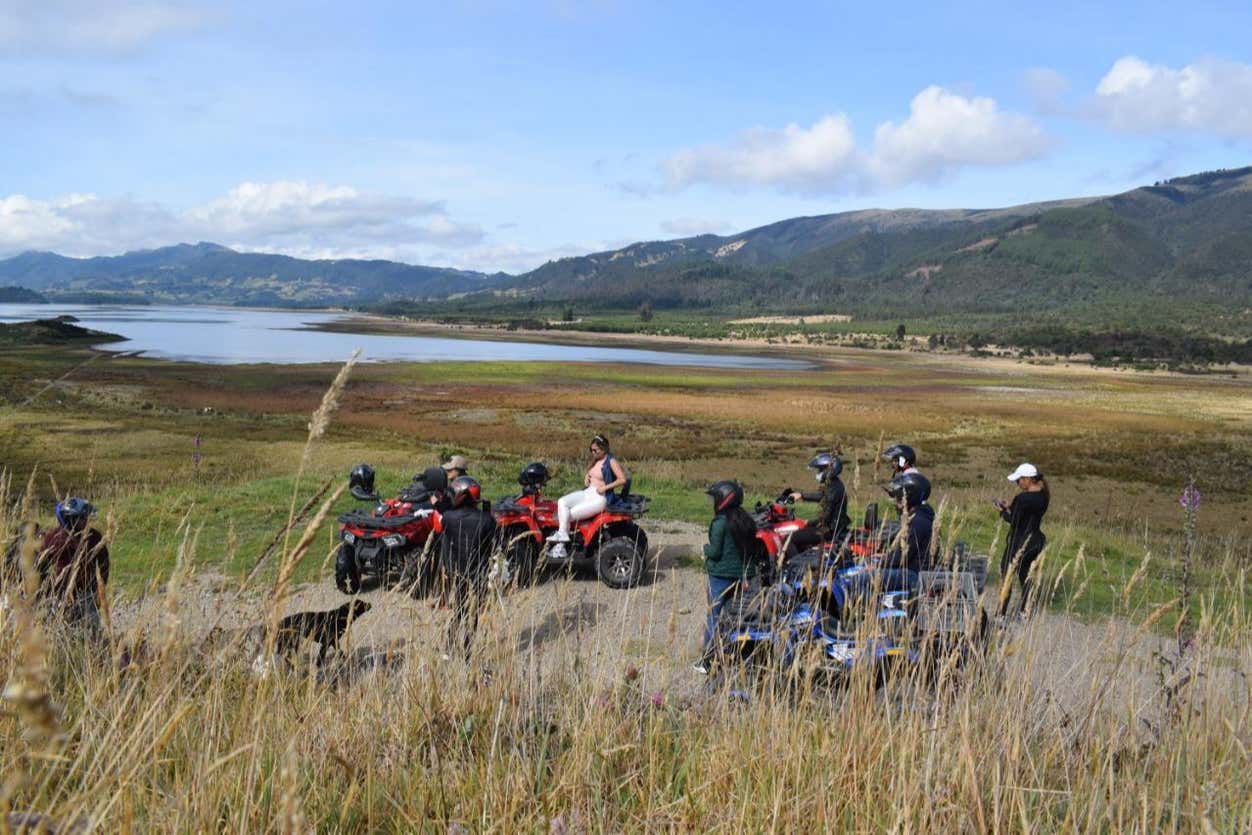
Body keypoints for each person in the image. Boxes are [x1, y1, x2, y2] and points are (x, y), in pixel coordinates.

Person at [695, 480, 758, 674]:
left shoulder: (720, 523)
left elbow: (714, 552)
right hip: (741, 577)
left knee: (713, 617)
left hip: (720, 576)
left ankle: (707, 660)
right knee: (734, 616)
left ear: (723, 499)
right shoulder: (746, 519)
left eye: (715, 498)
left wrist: (704, 549)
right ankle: (734, 653)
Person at [436, 476, 497, 660]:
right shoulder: (487, 520)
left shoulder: (448, 517)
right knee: (475, 612)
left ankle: (449, 646)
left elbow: (445, 529)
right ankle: (468, 649)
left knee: (459, 610)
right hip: (479, 571)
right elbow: (490, 545)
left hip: (457, 571)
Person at [547, 434, 627, 558]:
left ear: (604, 449)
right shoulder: (596, 459)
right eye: (591, 450)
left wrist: (605, 487)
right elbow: (594, 472)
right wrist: (587, 475)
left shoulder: (611, 460)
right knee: (562, 502)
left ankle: (560, 546)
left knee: (569, 515)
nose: (593, 452)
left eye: (595, 450)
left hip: (600, 498)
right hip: (588, 492)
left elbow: (622, 479)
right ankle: (562, 536)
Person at [38, 497, 109, 629]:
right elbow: (40, 565)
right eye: (82, 518)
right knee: (59, 628)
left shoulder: (94, 537)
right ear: (71, 519)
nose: (86, 522)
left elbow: (104, 565)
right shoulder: (53, 537)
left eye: (87, 518)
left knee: (93, 630)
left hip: (87, 593)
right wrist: (46, 590)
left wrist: (99, 590)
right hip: (59, 595)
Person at [994, 463, 1049, 617]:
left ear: (1027, 479)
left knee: (1007, 575)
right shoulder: (1043, 496)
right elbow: (1027, 515)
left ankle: (1001, 613)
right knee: (1026, 576)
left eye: (1019, 480)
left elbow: (1014, 520)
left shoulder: (1022, 498)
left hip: (1019, 542)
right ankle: (1025, 611)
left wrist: (1003, 511)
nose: (1017, 484)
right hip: (1036, 540)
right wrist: (1013, 506)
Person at [788, 452, 852, 557]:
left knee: (791, 538)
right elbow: (821, 496)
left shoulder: (834, 489)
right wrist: (801, 495)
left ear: (829, 470)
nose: (818, 473)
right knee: (802, 531)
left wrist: (809, 522)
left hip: (829, 531)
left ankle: (793, 566)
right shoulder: (834, 485)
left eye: (820, 470)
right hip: (833, 528)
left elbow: (825, 518)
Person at [880, 472, 933, 592]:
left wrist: (879, 563)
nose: (897, 503)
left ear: (910, 497)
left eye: (899, 498)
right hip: (907, 571)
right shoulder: (916, 517)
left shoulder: (918, 522)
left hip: (912, 575)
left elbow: (902, 556)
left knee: (864, 578)